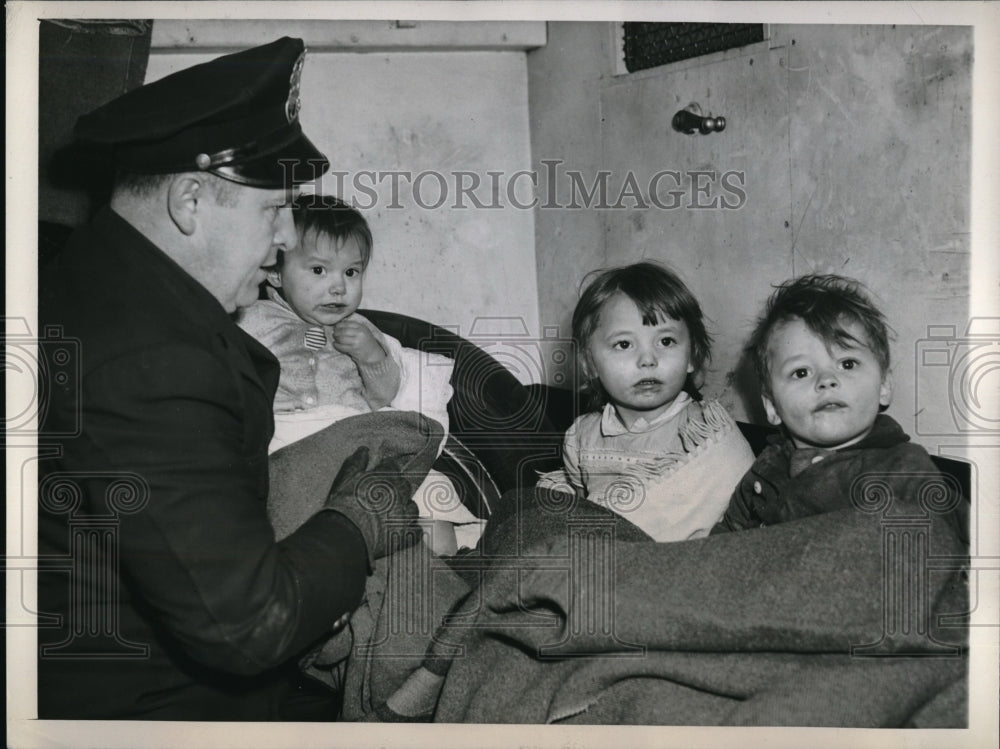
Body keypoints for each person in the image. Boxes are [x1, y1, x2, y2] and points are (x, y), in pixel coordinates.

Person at [37, 37, 424, 721]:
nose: (283, 239)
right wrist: (359, 519)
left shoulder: (94, 276)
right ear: (191, 201)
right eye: (273, 210)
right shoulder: (151, 361)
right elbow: (250, 625)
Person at [236, 194, 480, 549]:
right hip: (289, 436)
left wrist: (370, 357)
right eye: (319, 270)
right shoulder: (251, 320)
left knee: (427, 496)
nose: (339, 286)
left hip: (355, 431)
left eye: (352, 272)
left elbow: (385, 395)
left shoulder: (362, 329)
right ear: (274, 270)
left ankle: (438, 554)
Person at [712, 274, 966, 534]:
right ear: (773, 408)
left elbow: (938, 556)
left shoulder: (904, 471)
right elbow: (721, 544)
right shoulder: (767, 468)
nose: (827, 380)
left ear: (884, 387)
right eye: (801, 372)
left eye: (847, 364)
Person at [538, 261, 754, 542]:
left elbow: (746, 517)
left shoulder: (706, 430)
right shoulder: (581, 437)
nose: (648, 359)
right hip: (606, 567)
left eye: (665, 341)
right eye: (624, 344)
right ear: (589, 364)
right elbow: (577, 507)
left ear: (692, 356)